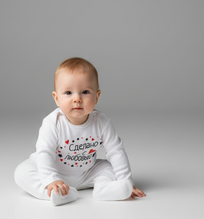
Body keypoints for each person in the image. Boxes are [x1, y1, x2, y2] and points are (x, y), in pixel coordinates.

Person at [14, 57, 146, 206]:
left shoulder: (102, 122)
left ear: (96, 97)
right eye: (68, 92)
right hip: (54, 171)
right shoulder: (52, 122)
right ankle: (57, 192)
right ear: (56, 98)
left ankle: (105, 189)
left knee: (108, 167)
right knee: (22, 172)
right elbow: (45, 153)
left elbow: (116, 151)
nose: (77, 99)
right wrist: (51, 179)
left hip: (86, 173)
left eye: (85, 92)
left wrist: (126, 181)